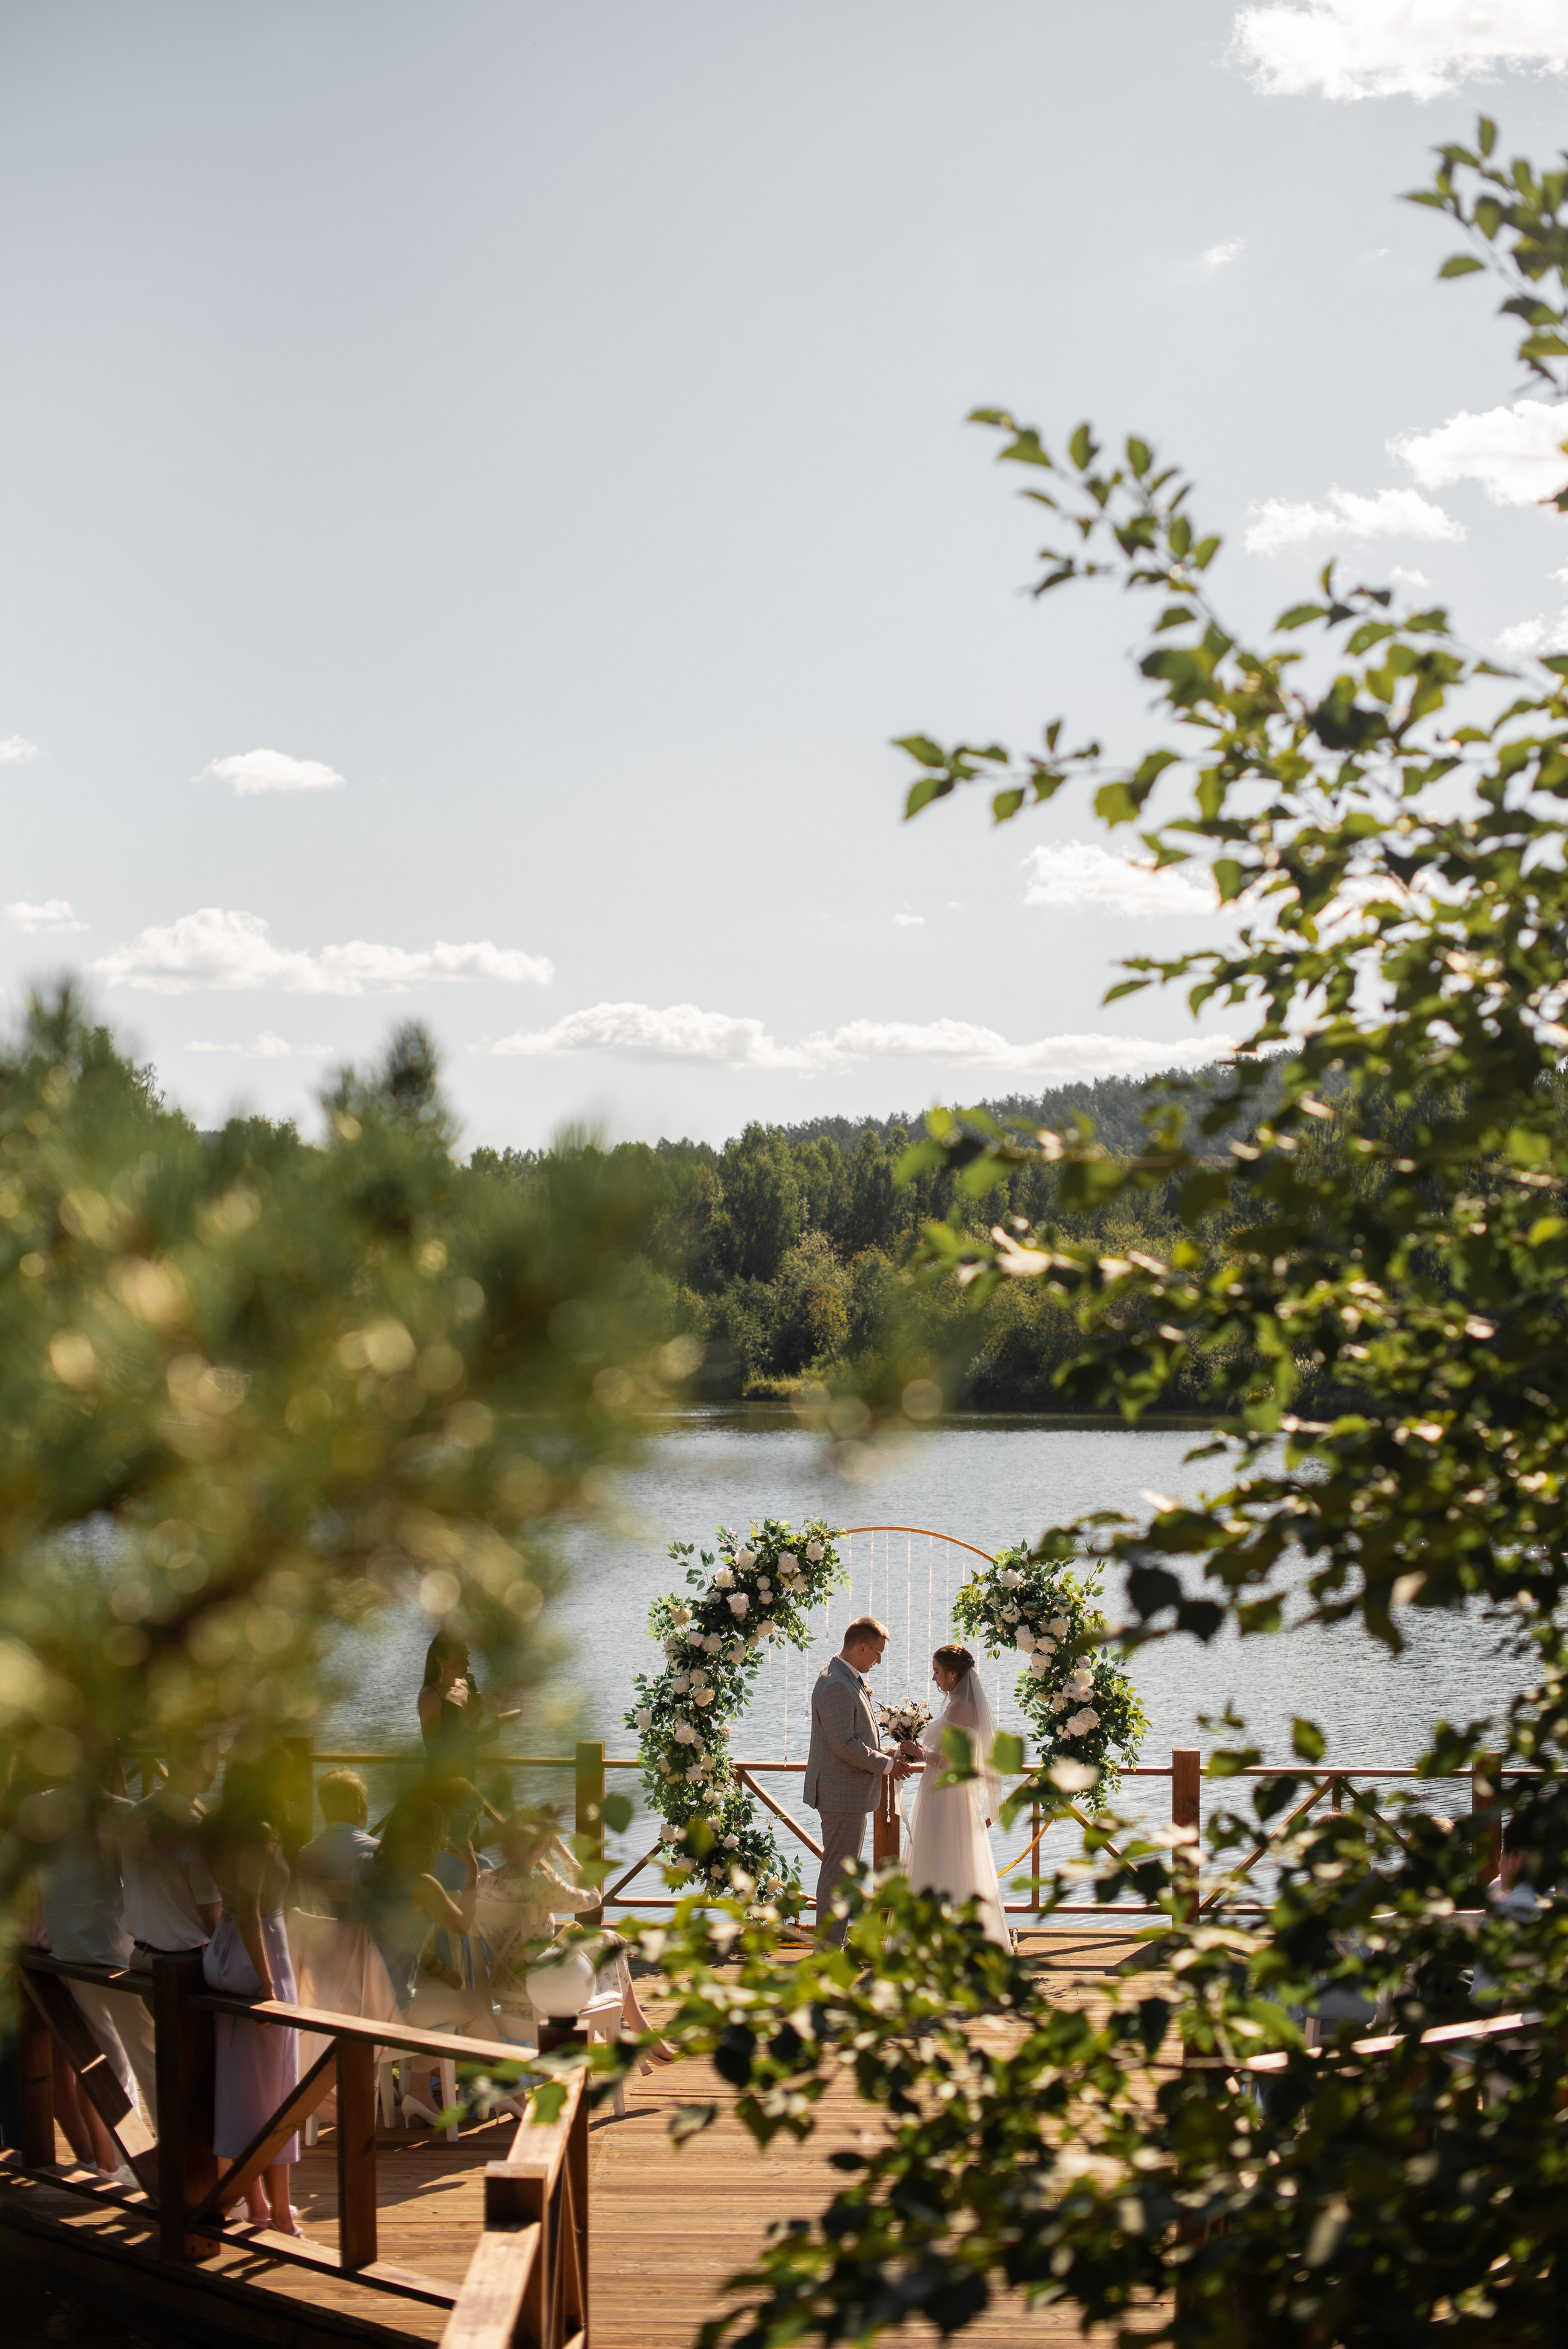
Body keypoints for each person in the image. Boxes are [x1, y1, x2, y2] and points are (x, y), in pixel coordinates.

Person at [36, 1776, 162, 2135]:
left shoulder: (42, 1807)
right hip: (116, 1954)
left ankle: (129, 2158)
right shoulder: (121, 1814)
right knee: (148, 2060)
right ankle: (167, 2165)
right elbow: (143, 1882)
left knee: (109, 2063)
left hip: (70, 1950)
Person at [201, 1804, 304, 2237]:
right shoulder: (258, 1833)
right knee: (279, 2091)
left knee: (241, 2084)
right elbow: (251, 1912)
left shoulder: (216, 1825)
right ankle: (277, 2213)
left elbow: (228, 1905)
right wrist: (268, 1984)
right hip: (257, 1955)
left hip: (222, 1951)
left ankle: (256, 2201)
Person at [802, 1615, 911, 1945]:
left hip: (845, 1791)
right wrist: (887, 1767)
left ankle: (838, 1940)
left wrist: (891, 1751)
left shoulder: (846, 1677)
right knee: (838, 1872)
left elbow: (855, 1737)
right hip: (840, 1793)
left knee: (842, 1870)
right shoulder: (836, 1683)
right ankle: (829, 1947)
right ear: (862, 1647)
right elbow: (844, 1745)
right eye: (877, 1653)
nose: (878, 1660)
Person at [353, 1787, 489, 2032]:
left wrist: (439, 1969)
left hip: (356, 1996)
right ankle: (504, 2071)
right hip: (392, 2006)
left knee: (441, 1994)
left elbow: (393, 1936)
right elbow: (463, 1925)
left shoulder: (363, 1864)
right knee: (476, 2006)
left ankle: (421, 2072)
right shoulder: (422, 1884)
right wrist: (472, 1870)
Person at [905, 1645, 1011, 1948]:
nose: (935, 1678)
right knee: (953, 1855)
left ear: (953, 1674)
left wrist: (918, 1752)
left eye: (938, 1672)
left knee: (942, 1855)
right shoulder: (960, 1704)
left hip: (947, 1792)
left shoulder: (959, 1707)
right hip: (949, 1790)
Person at [119, 1740, 221, 1969]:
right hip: (182, 1968)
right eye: (216, 1756)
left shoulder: (136, 1813)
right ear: (203, 1761)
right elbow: (212, 1921)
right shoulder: (194, 1829)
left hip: (140, 1958)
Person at [417, 1631, 519, 1780]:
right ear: (440, 1660)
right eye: (459, 1658)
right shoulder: (429, 1697)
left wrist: (495, 1726)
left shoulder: (465, 1686)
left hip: (468, 1771)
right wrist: (469, 1715)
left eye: (468, 1656)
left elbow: (468, 1738)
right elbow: (434, 1749)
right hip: (442, 1779)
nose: (468, 1664)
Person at [295, 1771, 378, 1918]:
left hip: (323, 1938)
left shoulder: (305, 1854)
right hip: (367, 1940)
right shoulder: (377, 1851)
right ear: (357, 1804)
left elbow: (305, 1911)